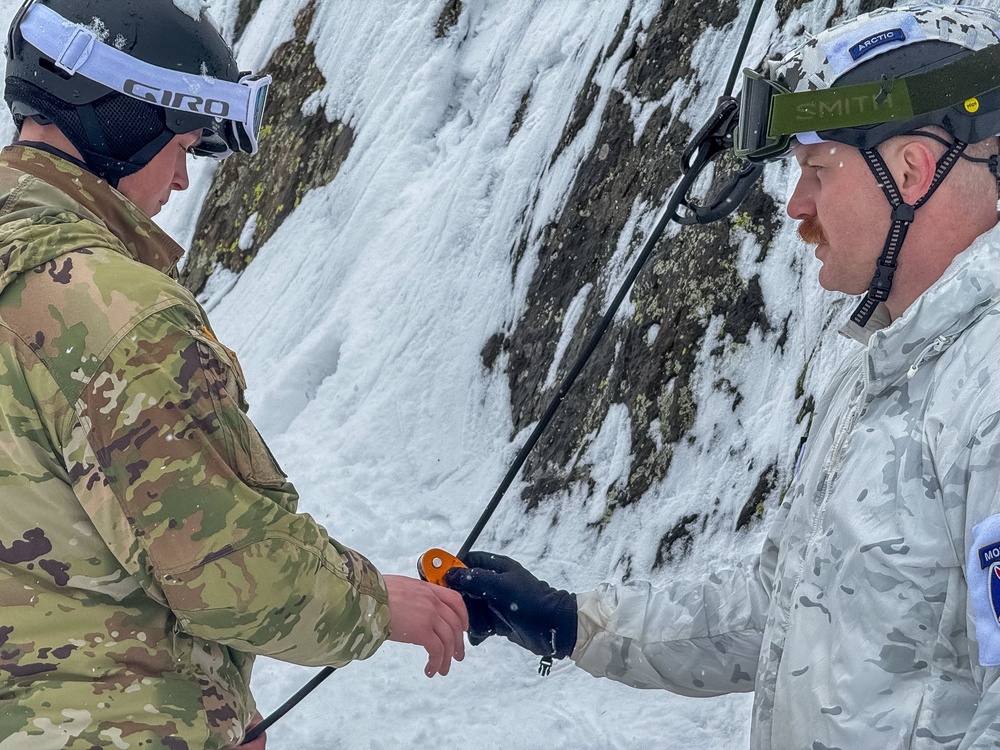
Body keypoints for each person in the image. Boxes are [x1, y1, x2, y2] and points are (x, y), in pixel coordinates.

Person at [446, 5, 1000, 748]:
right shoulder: (889, 369)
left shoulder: (986, 390)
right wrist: (576, 621)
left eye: (816, 170)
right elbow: (784, 607)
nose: (797, 207)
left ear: (911, 170)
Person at [0, 1, 466, 748]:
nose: (183, 180)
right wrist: (380, 603)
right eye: (181, 144)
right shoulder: (117, 314)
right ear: (117, 119)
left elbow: (65, 521)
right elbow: (224, 567)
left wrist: (218, 699)